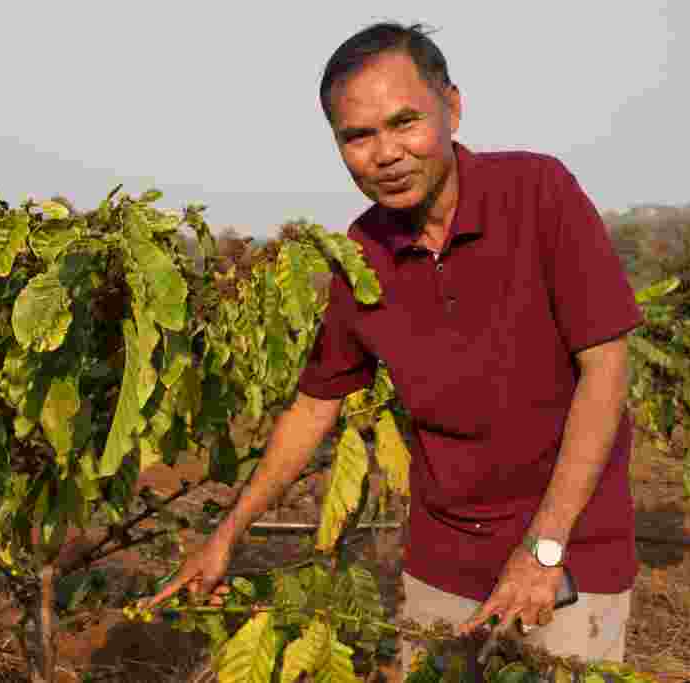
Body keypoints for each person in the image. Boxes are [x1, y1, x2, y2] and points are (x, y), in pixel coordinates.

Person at [143, 21, 643, 678]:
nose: (386, 153)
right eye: (358, 136)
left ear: (453, 106)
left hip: (568, 562)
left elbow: (604, 369)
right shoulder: (361, 256)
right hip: (443, 571)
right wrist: (226, 535)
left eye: (404, 122)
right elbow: (314, 406)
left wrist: (544, 548)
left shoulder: (539, 195)